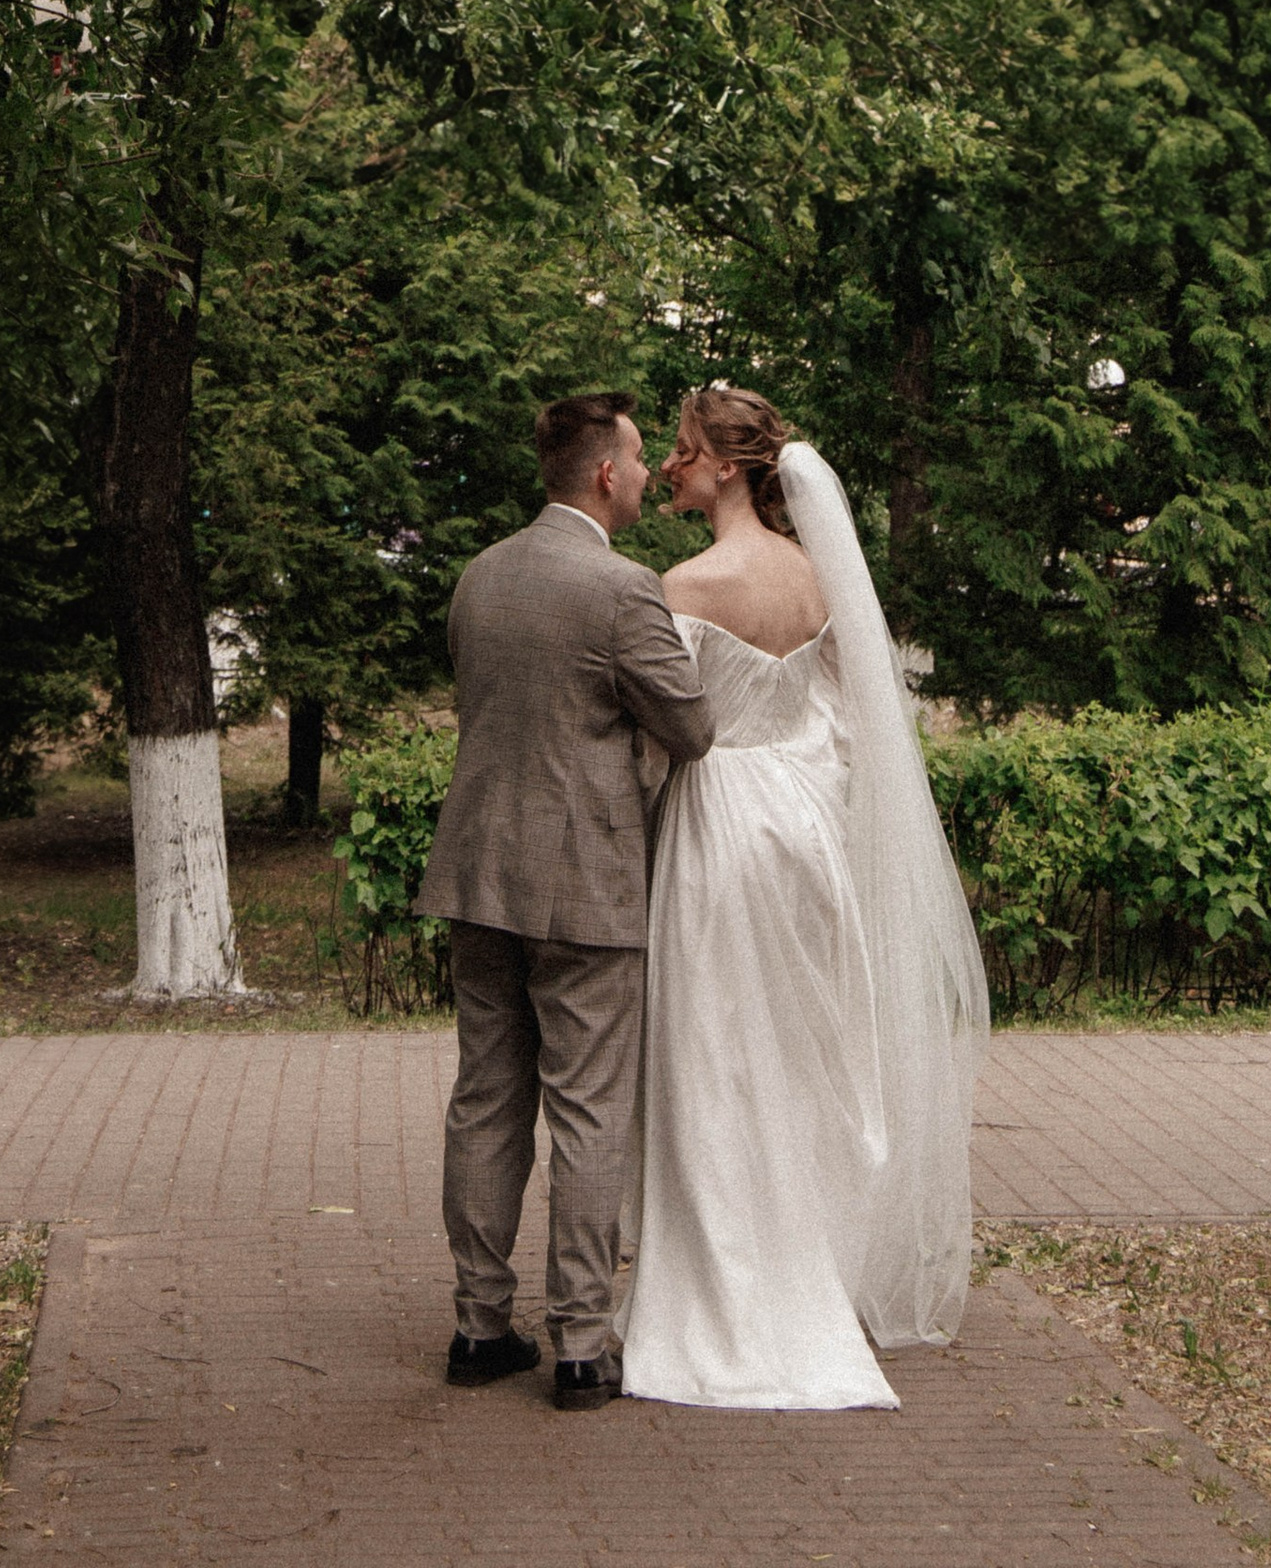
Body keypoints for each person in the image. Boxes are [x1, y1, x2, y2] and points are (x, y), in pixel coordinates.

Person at [616, 386, 989, 1412]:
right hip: (807, 826)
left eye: (686, 451)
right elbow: (845, 725)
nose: (676, 468)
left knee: (709, 1052)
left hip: (720, 819)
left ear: (727, 467)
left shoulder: (682, 586)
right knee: (801, 1051)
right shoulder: (826, 581)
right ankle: (810, 1266)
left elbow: (662, 737)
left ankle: (723, 1293)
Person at [414, 389, 714, 1409]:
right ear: (602, 473)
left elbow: (492, 708)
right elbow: (692, 725)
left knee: (486, 1099)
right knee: (587, 1109)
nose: (643, 474)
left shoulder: (478, 577)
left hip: (475, 872)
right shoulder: (623, 589)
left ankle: (476, 1326)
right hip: (584, 881)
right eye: (636, 460)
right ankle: (582, 1344)